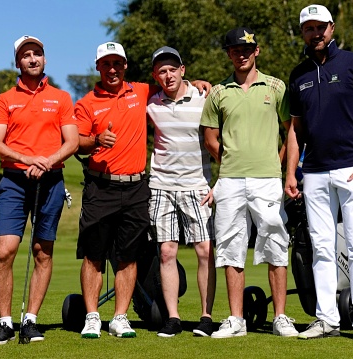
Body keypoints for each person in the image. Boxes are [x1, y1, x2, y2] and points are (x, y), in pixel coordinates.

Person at [75, 42, 210, 339]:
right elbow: (78, 142)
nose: (112, 69)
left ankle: (120, 317)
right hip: (101, 186)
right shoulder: (86, 102)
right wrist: (97, 140)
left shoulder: (141, 91)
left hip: (137, 186)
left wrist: (197, 83)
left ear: (125, 66)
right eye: (106, 64)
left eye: (118, 64)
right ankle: (93, 316)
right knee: (94, 256)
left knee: (128, 255)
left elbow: (174, 83)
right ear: (98, 67)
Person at [285, 4, 353, 344]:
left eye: (320, 27)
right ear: (303, 33)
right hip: (313, 173)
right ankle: (326, 319)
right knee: (322, 249)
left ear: (331, 28)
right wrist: (290, 173)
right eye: (308, 28)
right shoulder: (297, 75)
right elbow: (296, 131)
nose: (315, 33)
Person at [200, 27, 299, 339]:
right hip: (229, 181)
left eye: (247, 49)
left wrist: (283, 166)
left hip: (268, 179)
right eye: (235, 50)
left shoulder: (276, 86)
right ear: (229, 54)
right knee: (230, 247)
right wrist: (229, 159)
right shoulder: (218, 92)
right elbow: (209, 138)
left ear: (256, 51)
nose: (241, 54)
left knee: (275, 244)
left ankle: (281, 317)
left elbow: (292, 131)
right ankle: (235, 319)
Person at [0, 35, 79, 345]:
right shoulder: (5, 99)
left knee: (42, 251)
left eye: (37, 53)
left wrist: (47, 162)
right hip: (14, 181)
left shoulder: (62, 97)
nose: (32, 58)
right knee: (5, 251)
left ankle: (31, 320)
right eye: (26, 55)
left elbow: (72, 141)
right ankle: (4, 322)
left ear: (45, 59)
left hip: (51, 181)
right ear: (17, 62)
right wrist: (27, 159)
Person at [146, 46, 216, 338]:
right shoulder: (150, 103)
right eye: (161, 70)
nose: (168, 75)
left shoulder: (204, 97)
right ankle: (173, 318)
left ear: (182, 70)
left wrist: (217, 183)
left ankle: (206, 316)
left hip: (197, 185)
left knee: (204, 250)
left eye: (172, 69)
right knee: (166, 252)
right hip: (161, 186)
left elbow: (219, 141)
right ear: (155, 76)